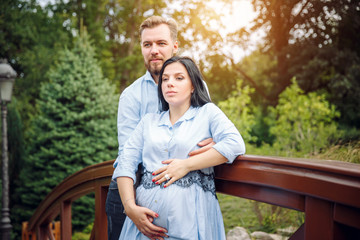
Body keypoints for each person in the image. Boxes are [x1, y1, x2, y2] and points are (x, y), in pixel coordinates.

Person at [105, 16, 215, 240]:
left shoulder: (197, 86)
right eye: (147, 45)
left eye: (161, 43)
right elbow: (128, 154)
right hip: (130, 191)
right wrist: (130, 207)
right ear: (142, 49)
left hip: (185, 196)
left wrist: (215, 141)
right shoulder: (131, 95)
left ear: (175, 46)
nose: (154, 50)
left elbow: (208, 126)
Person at [113, 56, 246, 240]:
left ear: (193, 86)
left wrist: (186, 165)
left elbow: (234, 143)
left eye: (179, 78)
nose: (169, 83)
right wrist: (130, 208)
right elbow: (125, 162)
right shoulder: (148, 122)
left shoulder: (207, 113)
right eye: (165, 79)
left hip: (191, 223)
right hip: (141, 229)